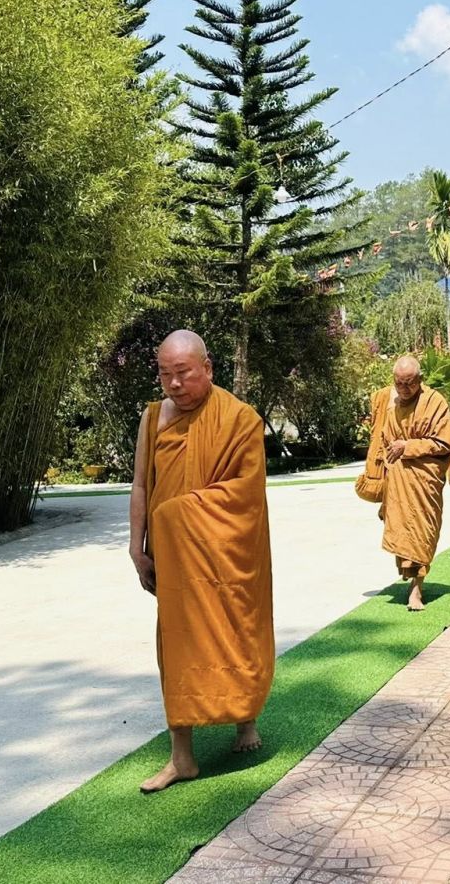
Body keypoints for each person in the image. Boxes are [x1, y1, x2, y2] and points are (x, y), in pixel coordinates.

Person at [129, 330, 274, 794]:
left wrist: (175, 515)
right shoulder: (152, 419)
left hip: (225, 558)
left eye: (183, 373)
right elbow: (141, 485)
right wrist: (137, 545)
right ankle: (182, 757)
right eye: (165, 375)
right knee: (176, 646)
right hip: (174, 558)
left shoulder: (239, 419)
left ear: (207, 368)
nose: (174, 384)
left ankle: (245, 720)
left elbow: (246, 494)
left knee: (235, 630)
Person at [364, 356, 450, 611]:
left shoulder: (434, 402)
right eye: (399, 383)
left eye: (409, 383)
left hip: (424, 480)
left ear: (420, 380)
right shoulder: (391, 405)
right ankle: (410, 577)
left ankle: (417, 589)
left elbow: (444, 443)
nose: (404, 389)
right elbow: (384, 441)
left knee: (422, 532)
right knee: (405, 533)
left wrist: (408, 446)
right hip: (398, 481)